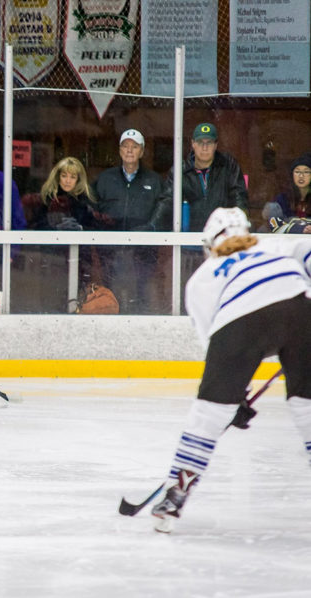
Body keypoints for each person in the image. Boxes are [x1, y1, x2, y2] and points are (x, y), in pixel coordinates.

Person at [150, 207, 311, 533]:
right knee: (307, 407)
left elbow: (215, 346)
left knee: (208, 414)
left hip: (239, 321)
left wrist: (230, 399)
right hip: (299, 307)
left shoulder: (202, 278)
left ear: (209, 243)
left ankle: (175, 495)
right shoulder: (274, 247)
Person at [93, 129, 168, 313]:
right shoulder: (104, 179)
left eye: (134, 147)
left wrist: (150, 228)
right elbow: (93, 210)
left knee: (142, 294)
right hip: (111, 251)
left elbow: (164, 211)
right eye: (125, 146)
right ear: (119, 150)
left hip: (143, 251)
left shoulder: (155, 180)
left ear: (142, 151)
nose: (129, 150)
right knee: (111, 294)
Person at [158, 123, 249, 233]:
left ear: (215, 145)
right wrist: (153, 226)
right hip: (187, 241)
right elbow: (167, 202)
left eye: (209, 143)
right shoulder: (180, 170)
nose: (204, 148)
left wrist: (238, 229)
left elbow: (239, 199)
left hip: (220, 239)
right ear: (193, 144)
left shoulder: (228, 166)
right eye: (200, 142)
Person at [32, 157, 100, 231]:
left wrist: (80, 228)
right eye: (64, 176)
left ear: (78, 180)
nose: (68, 181)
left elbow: (96, 228)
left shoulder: (86, 202)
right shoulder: (46, 199)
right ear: (58, 177)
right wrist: (56, 228)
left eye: (73, 177)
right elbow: (36, 227)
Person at [271, 153, 311, 219]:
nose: (301, 176)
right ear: (292, 175)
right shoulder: (282, 199)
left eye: (306, 172)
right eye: (297, 172)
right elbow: (276, 224)